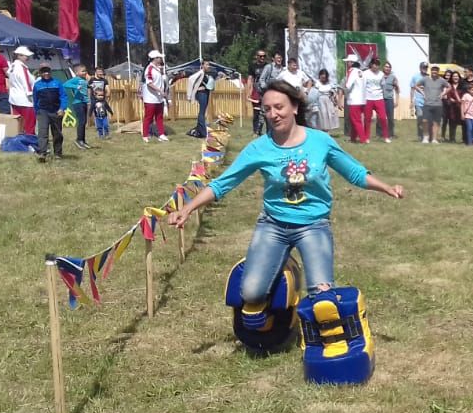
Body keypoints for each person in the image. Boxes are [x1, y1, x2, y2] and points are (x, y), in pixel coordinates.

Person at [166, 80, 404, 331]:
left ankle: (290, 272)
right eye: (267, 109)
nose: (273, 114)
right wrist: (188, 208)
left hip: (313, 225)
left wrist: (386, 188)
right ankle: (281, 266)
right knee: (251, 292)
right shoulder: (259, 148)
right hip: (273, 225)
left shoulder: (320, 141)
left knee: (322, 300)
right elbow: (223, 183)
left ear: (294, 107)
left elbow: (354, 172)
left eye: (278, 107)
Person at [32, 66, 65, 162]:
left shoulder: (57, 83)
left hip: (56, 111)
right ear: (40, 73)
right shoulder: (37, 85)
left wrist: (62, 108)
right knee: (42, 133)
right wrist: (37, 112)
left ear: (51, 72)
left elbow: (63, 96)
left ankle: (58, 153)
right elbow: (35, 99)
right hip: (43, 111)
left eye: (47, 71)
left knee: (57, 133)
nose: (46, 73)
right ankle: (43, 153)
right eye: (43, 72)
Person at [254, 52, 285, 136]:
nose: (279, 59)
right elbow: (262, 79)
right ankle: (258, 131)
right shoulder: (269, 67)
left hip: (278, 94)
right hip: (267, 92)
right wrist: (266, 89)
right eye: (277, 57)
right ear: (273, 59)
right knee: (264, 113)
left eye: (280, 58)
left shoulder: (283, 69)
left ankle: (273, 131)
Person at [141, 50, 169, 142]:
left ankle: (161, 134)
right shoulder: (149, 69)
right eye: (159, 57)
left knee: (159, 117)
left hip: (158, 98)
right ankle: (145, 135)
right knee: (148, 117)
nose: (161, 59)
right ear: (155, 59)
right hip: (150, 98)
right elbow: (149, 83)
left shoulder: (158, 69)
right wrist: (160, 90)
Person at [8, 46, 36, 135]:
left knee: (18, 124)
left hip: (14, 98)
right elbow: (26, 82)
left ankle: (20, 140)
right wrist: (30, 95)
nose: (27, 57)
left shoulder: (12, 66)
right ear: (19, 56)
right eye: (25, 56)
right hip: (25, 99)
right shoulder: (22, 67)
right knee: (29, 123)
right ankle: (30, 141)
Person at [186, 60, 217, 138]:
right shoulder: (200, 73)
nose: (208, 66)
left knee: (202, 112)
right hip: (201, 94)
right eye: (206, 64)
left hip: (206, 93)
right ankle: (203, 132)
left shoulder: (207, 74)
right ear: (202, 65)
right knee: (202, 112)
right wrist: (193, 91)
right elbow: (190, 79)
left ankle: (199, 130)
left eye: (209, 65)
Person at [362, 57, 389, 143]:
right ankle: (366, 137)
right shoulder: (365, 73)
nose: (376, 66)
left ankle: (386, 137)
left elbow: (383, 85)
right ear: (371, 64)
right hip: (368, 98)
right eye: (374, 64)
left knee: (383, 118)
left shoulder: (381, 74)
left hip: (379, 98)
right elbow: (363, 86)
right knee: (367, 119)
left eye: (378, 65)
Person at [63, 64, 90, 150]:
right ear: (77, 73)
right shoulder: (76, 79)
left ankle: (83, 140)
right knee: (81, 121)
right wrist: (75, 87)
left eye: (85, 71)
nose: (84, 72)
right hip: (78, 103)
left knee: (84, 122)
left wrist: (90, 87)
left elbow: (84, 89)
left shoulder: (84, 80)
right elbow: (65, 84)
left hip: (84, 102)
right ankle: (79, 140)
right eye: (82, 71)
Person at [420, 65, 447, 144]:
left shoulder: (441, 80)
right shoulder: (425, 79)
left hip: (438, 104)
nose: (434, 72)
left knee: (436, 122)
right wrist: (423, 93)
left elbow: (449, 87)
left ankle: (434, 139)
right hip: (427, 103)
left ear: (438, 71)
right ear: (430, 71)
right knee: (424, 120)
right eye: (433, 70)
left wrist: (443, 93)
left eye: (436, 70)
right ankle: (426, 137)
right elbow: (416, 86)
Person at [342, 55, 366, 143]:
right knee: (354, 120)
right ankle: (353, 138)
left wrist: (344, 89)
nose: (347, 63)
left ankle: (363, 139)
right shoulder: (362, 72)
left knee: (356, 120)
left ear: (352, 62)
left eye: (348, 62)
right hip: (362, 100)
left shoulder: (352, 71)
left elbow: (348, 85)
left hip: (354, 100)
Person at [247, 50, 268, 136]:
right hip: (256, 90)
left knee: (266, 112)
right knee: (256, 112)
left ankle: (268, 131)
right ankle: (255, 131)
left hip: (265, 90)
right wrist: (248, 91)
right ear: (256, 56)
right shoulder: (253, 66)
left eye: (264, 56)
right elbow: (250, 79)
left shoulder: (268, 66)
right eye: (260, 56)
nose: (262, 58)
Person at [381, 61, 399, 139]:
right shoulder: (379, 76)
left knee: (390, 118)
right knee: (380, 118)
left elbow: (397, 89)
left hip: (389, 100)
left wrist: (397, 100)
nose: (387, 68)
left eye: (389, 67)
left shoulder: (393, 77)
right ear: (383, 68)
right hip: (380, 99)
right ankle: (380, 134)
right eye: (386, 66)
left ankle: (391, 134)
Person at [410, 62, 428, 140]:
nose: (425, 69)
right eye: (423, 67)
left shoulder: (429, 77)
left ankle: (426, 135)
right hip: (418, 101)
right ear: (420, 68)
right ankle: (420, 135)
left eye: (426, 67)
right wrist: (411, 101)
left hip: (427, 102)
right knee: (420, 118)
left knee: (427, 119)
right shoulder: (415, 77)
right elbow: (412, 89)